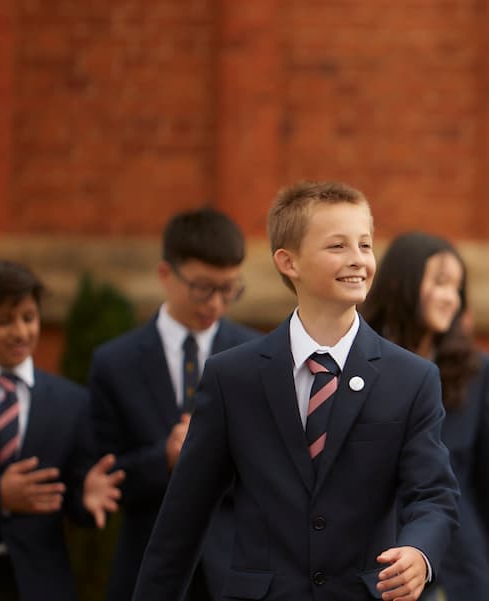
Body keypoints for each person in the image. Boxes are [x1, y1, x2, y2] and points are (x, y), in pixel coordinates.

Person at [131, 181, 460, 601]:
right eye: (337, 246)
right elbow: (180, 524)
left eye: (365, 244)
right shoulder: (233, 377)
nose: (358, 259)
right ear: (289, 262)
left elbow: (434, 495)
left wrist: (419, 551)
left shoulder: (412, 378)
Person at [89, 207, 262, 601]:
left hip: (235, 570)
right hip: (148, 569)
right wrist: (164, 459)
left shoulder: (258, 356)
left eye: (229, 289)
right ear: (166, 275)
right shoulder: (115, 362)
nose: (216, 303)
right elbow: (101, 471)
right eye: (203, 288)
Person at [362, 231, 489, 601]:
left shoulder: (474, 372)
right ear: (402, 283)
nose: (451, 298)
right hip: (379, 569)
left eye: (457, 288)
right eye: (440, 283)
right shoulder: (358, 365)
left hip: (462, 574)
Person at [0, 260, 125, 600]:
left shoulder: (70, 401)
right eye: (3, 321)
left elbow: (71, 493)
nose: (20, 332)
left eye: (28, 318)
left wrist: (87, 499)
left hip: (41, 585)